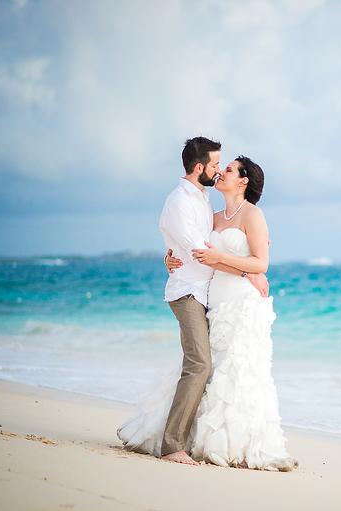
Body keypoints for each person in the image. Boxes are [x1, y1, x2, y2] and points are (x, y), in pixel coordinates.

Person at [118, 152, 296, 471]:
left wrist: (240, 268)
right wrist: (168, 258)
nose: (221, 173)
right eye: (220, 167)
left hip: (242, 301)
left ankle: (236, 443)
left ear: (243, 181)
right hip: (214, 298)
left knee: (238, 368)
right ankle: (193, 438)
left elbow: (262, 263)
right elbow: (190, 247)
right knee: (209, 367)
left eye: (228, 170)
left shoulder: (252, 214)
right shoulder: (213, 217)